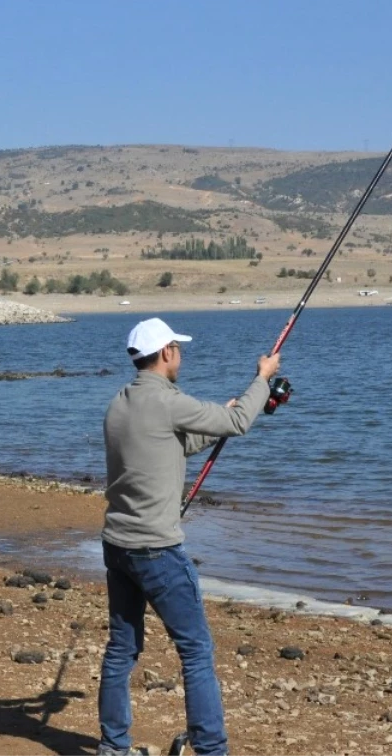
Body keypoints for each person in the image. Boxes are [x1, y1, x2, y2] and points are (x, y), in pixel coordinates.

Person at [97, 317, 281, 756]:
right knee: (196, 650)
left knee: (122, 649)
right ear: (165, 353)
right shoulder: (168, 401)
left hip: (117, 546)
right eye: (177, 348)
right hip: (156, 551)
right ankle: (211, 749)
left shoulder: (120, 403)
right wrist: (262, 379)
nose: (180, 354)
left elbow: (169, 443)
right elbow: (237, 422)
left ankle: (113, 747)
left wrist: (221, 417)